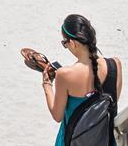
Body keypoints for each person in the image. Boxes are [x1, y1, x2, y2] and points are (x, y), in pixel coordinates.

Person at [41, 14, 122, 146]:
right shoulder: (115, 65)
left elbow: (57, 116)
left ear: (72, 43)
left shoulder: (64, 75)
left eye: (64, 43)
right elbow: (112, 103)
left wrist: (47, 85)